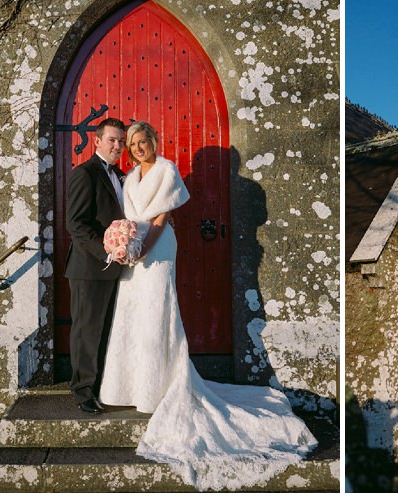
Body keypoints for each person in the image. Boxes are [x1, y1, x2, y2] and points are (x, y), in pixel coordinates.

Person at [98, 121, 317, 491]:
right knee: (131, 316)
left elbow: (161, 216)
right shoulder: (130, 176)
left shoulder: (166, 170)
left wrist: (142, 248)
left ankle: (157, 387)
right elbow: (129, 216)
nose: (137, 147)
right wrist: (125, 245)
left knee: (156, 313)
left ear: (154, 141)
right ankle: (128, 388)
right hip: (134, 250)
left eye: (143, 141)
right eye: (132, 143)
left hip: (157, 247)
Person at [64, 117, 126, 414]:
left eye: (121, 141)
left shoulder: (122, 176)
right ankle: (82, 391)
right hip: (89, 267)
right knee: (86, 330)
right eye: (112, 140)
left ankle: (100, 385)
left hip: (115, 268)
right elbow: (76, 224)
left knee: (105, 330)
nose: (118, 146)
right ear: (97, 141)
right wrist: (107, 252)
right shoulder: (84, 173)